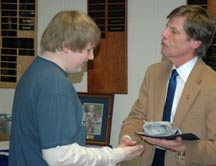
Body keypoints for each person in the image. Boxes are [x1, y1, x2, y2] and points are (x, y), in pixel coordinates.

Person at [9, 10, 144, 166]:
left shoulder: (35, 71)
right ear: (65, 46)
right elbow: (59, 156)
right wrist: (115, 155)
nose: (91, 57)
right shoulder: (55, 85)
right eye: (88, 50)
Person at [119, 5, 216, 166]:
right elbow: (137, 117)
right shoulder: (153, 73)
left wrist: (183, 146)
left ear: (195, 42)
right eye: (167, 27)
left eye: (173, 31)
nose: (164, 33)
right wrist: (127, 140)